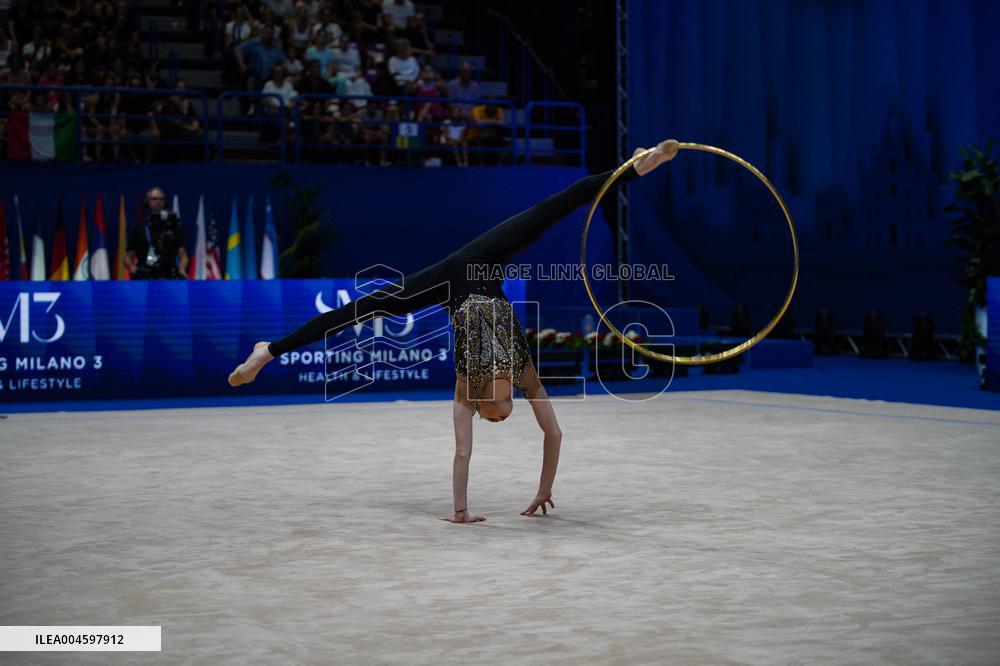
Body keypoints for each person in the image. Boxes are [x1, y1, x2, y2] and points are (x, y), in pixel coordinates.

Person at [227, 140, 681, 522]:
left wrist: (460, 512)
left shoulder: (467, 389)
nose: (504, 414)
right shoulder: (524, 376)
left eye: (497, 416)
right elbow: (554, 434)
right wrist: (545, 488)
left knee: (363, 310)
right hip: (484, 264)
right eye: (507, 413)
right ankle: (636, 168)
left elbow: (463, 454)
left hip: (448, 285)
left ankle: (268, 351)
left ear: (486, 408)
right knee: (554, 207)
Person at [126, 186, 190, 279]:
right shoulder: (139, 226)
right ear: (146, 202)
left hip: (169, 275)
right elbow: (128, 256)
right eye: (154, 199)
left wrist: (182, 270)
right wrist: (133, 268)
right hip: (144, 276)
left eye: (161, 199)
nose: (158, 201)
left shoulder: (173, 225)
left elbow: (183, 255)